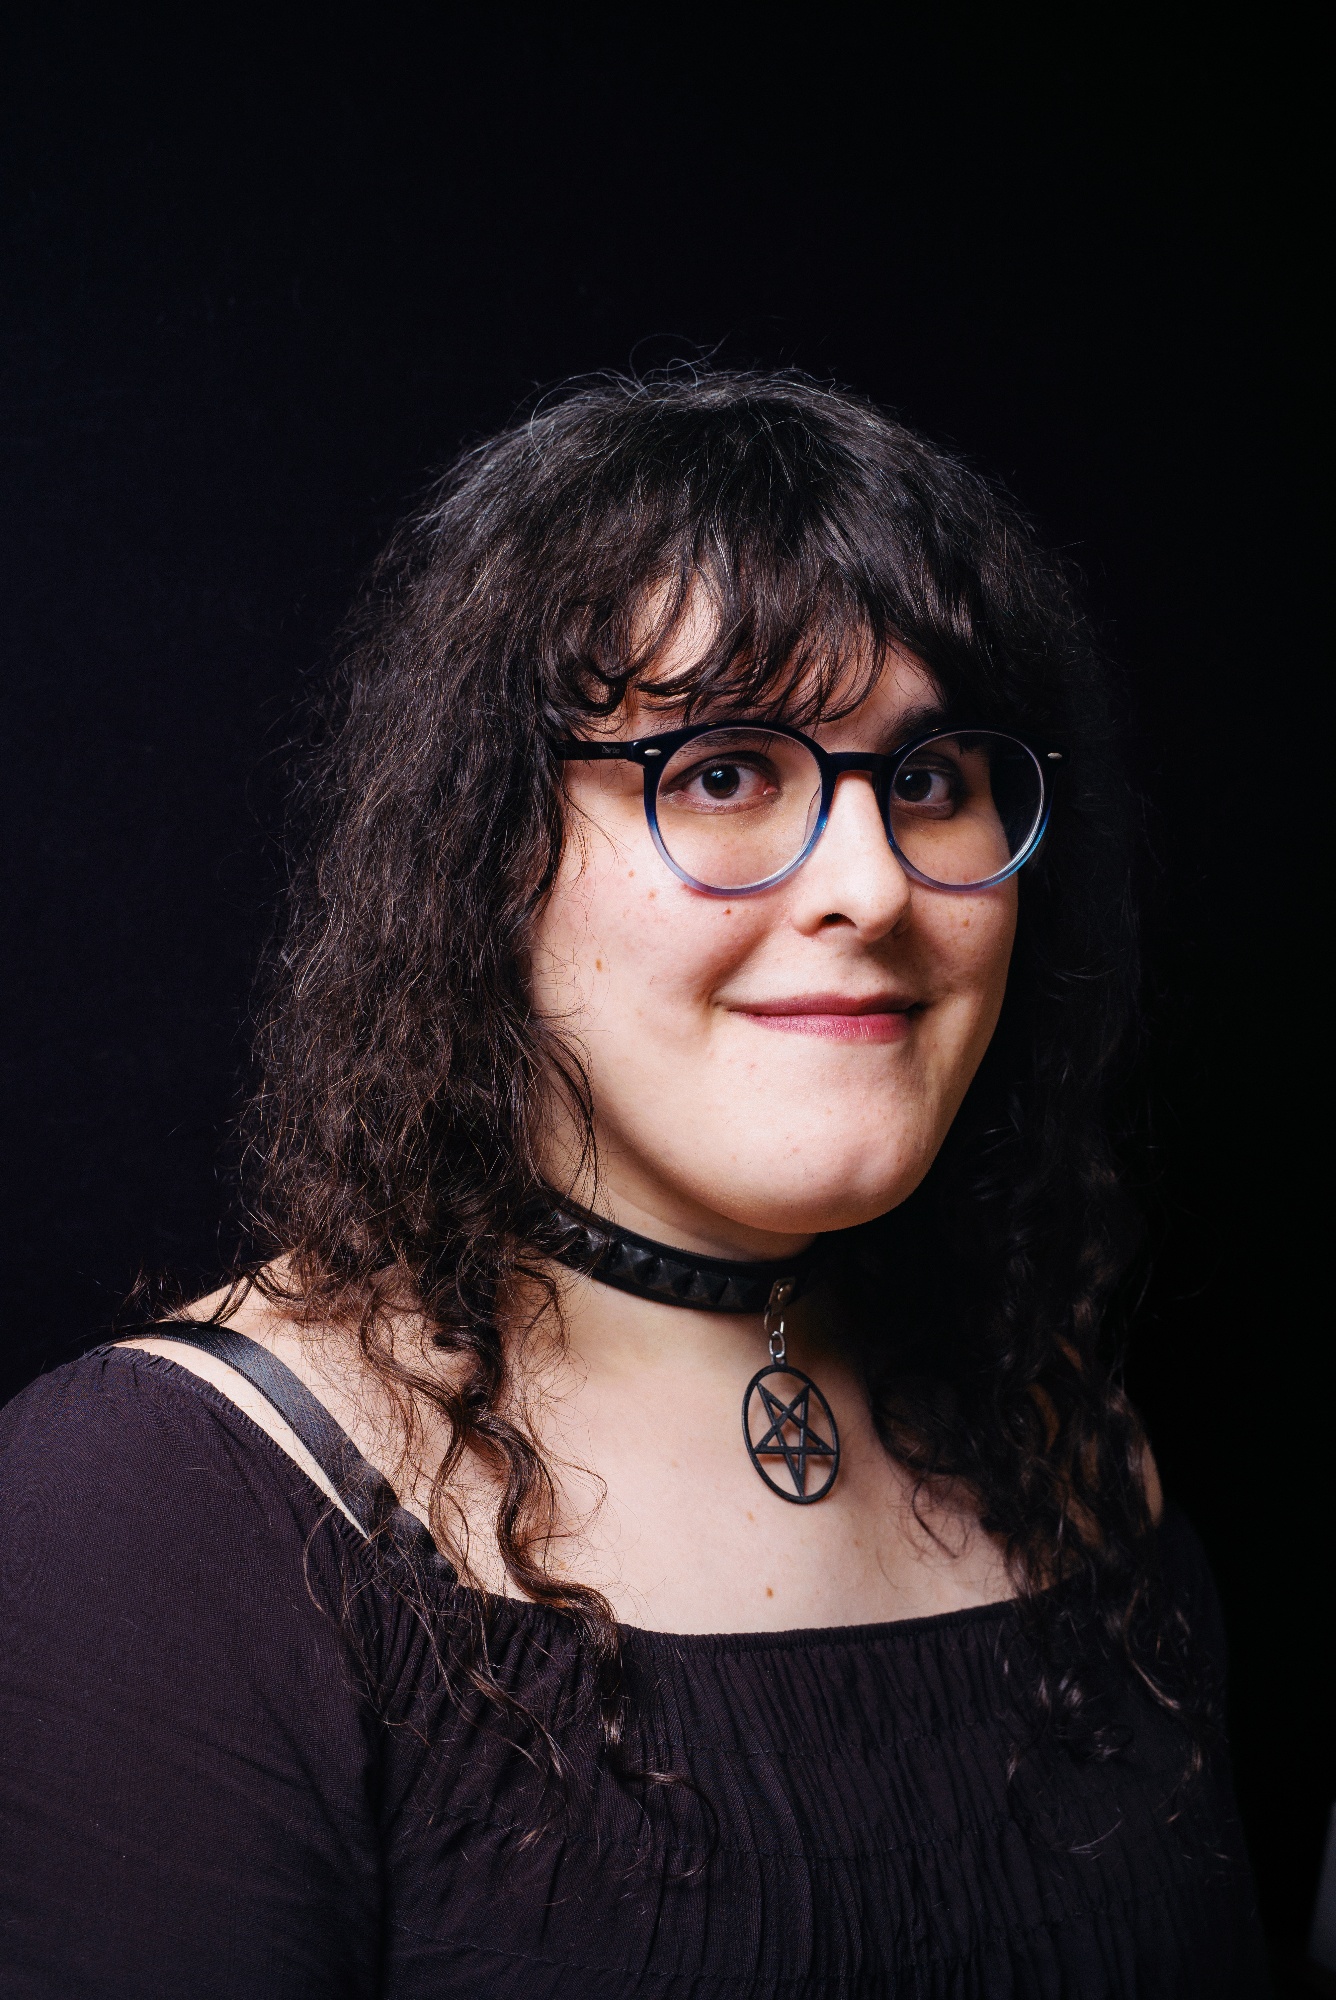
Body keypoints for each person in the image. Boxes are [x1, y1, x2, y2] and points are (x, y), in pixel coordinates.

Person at [0, 372, 1268, 1997]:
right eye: (725, 771)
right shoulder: (151, 1517)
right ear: (486, 852)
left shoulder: (1069, 1448)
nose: (874, 888)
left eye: (929, 778)